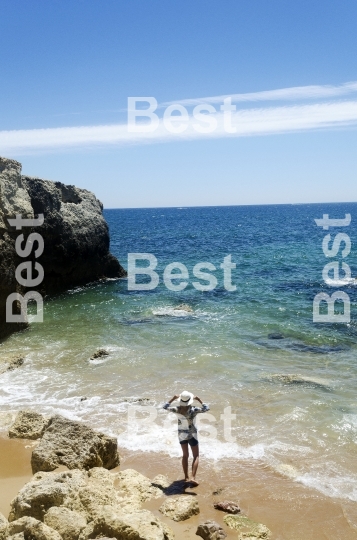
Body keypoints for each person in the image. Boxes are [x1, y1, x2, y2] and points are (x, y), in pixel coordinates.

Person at [163, 390, 210, 486]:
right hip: (192, 435)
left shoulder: (177, 409)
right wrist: (199, 399)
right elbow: (206, 408)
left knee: (185, 455)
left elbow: (165, 407)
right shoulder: (194, 410)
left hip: (181, 435)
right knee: (196, 456)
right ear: (190, 400)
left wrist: (173, 398)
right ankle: (193, 477)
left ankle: (186, 477)